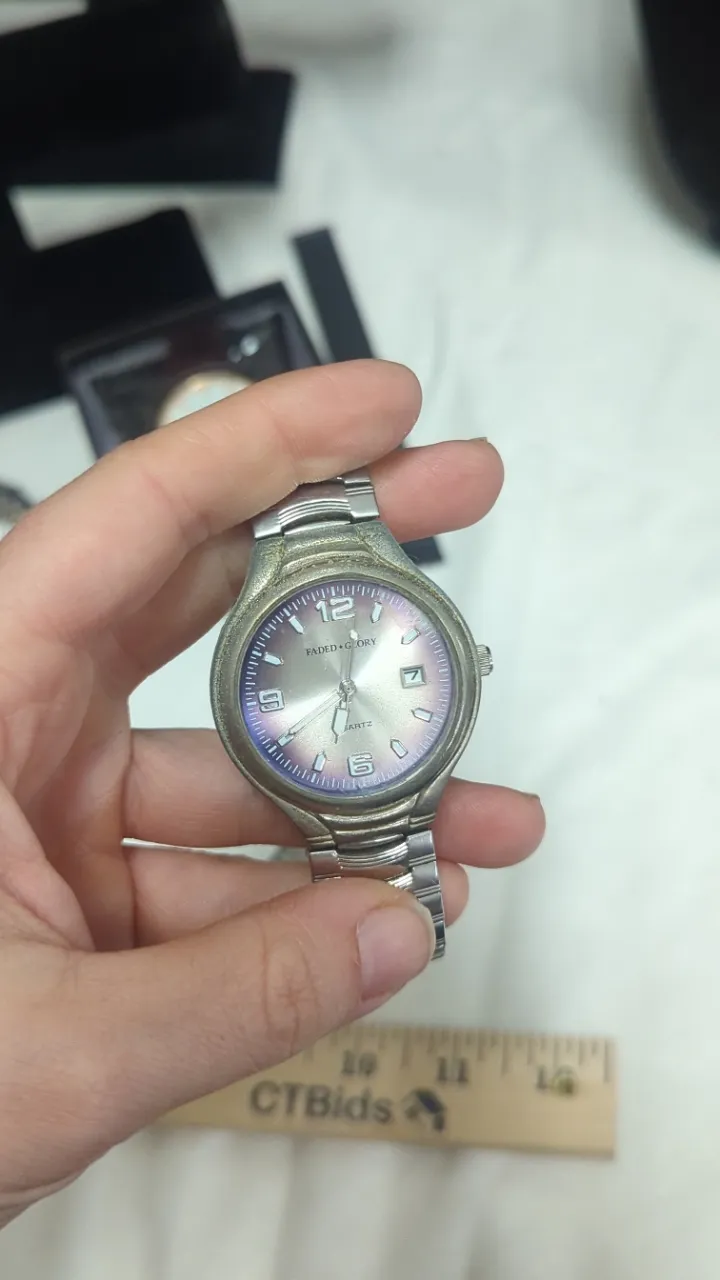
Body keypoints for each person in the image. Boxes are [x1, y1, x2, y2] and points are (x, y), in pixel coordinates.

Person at [0, 360, 544, 1228]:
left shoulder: (378, 638)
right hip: (332, 781)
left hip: (374, 767)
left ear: (460, 665)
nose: (347, 687)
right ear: (237, 699)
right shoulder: (273, 658)